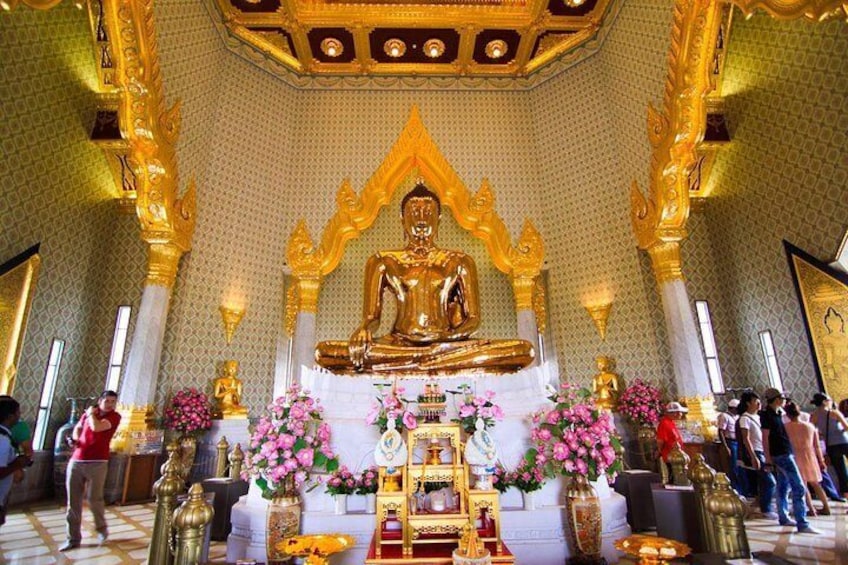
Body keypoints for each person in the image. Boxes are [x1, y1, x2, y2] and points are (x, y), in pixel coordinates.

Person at [315, 183, 535, 374]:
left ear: (439, 217)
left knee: (523, 350)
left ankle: (427, 359)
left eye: (428, 211)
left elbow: (473, 319)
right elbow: (372, 317)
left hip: (448, 345)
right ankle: (428, 361)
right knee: (325, 352)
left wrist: (445, 341)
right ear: (402, 218)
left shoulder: (459, 261)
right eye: (414, 210)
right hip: (399, 345)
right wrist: (363, 331)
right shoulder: (383, 260)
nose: (421, 217)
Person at [60, 390, 121, 551]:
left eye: (113, 402)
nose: (110, 404)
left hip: (98, 462)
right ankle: (73, 538)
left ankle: (102, 529)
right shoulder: (88, 415)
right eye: (107, 401)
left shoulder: (114, 417)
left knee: (95, 499)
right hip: (77, 460)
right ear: (100, 401)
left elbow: (96, 427)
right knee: (73, 502)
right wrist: (74, 439)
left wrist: (89, 414)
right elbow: (78, 428)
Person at [760, 388, 818, 534]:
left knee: (782, 487)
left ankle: (784, 516)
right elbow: (765, 437)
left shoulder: (778, 414)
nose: (785, 400)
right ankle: (802, 522)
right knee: (798, 487)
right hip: (781, 454)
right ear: (777, 399)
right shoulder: (767, 416)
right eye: (782, 398)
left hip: (785, 452)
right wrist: (767, 458)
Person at [784, 402, 830, 516]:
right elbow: (817, 446)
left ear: (788, 414)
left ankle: (811, 508)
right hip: (810, 455)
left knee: (802, 484)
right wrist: (821, 460)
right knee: (816, 483)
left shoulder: (786, 428)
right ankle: (826, 506)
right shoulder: (810, 426)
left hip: (795, 456)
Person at [737, 391, 776, 517]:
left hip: (764, 450)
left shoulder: (759, 416)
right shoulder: (745, 418)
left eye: (759, 401)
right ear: (748, 403)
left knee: (764, 480)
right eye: (755, 401)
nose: (759, 403)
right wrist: (753, 456)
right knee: (769, 481)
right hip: (756, 451)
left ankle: (764, 503)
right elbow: (745, 438)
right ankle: (766, 509)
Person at [809, 392, 848, 498]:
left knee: (841, 473)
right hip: (844, 442)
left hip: (830, 445)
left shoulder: (814, 416)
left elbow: (813, 432)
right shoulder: (834, 413)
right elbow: (846, 427)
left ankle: (846, 496)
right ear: (825, 402)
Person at [0, 397, 30, 528]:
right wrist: (17, 464)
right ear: (10, 416)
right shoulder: (3, 440)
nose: (19, 416)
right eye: (18, 413)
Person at [717, 398, 747, 495]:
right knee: (732, 467)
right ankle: (735, 489)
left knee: (740, 466)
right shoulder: (724, 416)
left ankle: (742, 489)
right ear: (733, 408)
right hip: (730, 443)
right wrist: (726, 447)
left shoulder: (737, 416)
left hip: (737, 442)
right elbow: (721, 431)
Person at [656, 401, 687, 481]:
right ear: (674, 413)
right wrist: (659, 451)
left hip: (677, 456)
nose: (681, 415)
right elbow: (661, 440)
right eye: (680, 413)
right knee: (672, 476)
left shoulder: (671, 422)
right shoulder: (664, 423)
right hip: (670, 456)